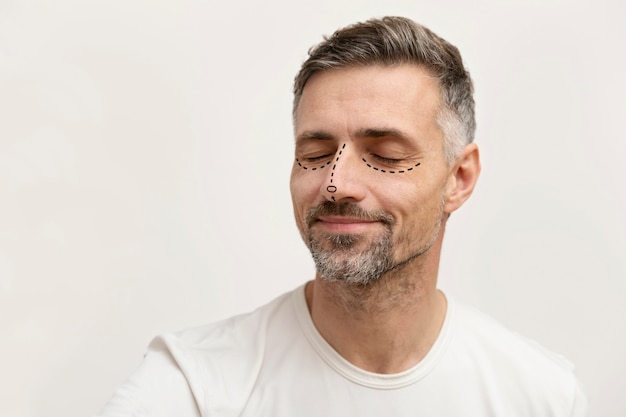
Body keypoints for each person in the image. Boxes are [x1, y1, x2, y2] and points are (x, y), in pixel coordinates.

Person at [99, 16, 589, 416]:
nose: (336, 184)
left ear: (458, 179)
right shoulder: (195, 386)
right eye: (316, 152)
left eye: (387, 154)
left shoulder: (540, 396)